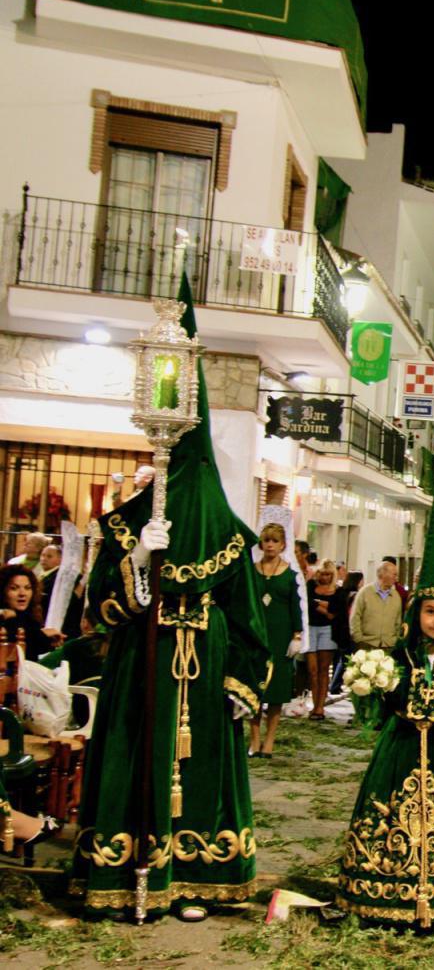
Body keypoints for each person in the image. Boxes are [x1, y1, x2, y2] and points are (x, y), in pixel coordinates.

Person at [71, 277, 270, 921]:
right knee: (139, 760)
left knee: (201, 771)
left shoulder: (230, 538)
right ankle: (132, 874)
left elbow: (249, 624)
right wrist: (134, 561)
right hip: (143, 665)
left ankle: (193, 880)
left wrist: (241, 682)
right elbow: (100, 606)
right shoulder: (128, 524)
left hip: (204, 672)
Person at [337, 464, 434, 933]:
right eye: (431, 612)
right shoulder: (400, 658)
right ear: (417, 611)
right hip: (401, 750)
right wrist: (371, 686)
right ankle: (384, 896)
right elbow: (380, 710)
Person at [248, 523, 303, 757]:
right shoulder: (251, 571)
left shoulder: (290, 575)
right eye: (267, 540)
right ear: (262, 544)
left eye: (275, 541)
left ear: (282, 545)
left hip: (281, 638)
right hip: (256, 637)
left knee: (276, 692)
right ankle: (254, 740)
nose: (270, 545)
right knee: (254, 690)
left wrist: (297, 636)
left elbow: (295, 608)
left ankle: (269, 740)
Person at [306, 559, 347, 720]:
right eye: (322, 574)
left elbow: (336, 611)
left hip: (328, 631)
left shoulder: (338, 591)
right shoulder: (310, 586)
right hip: (310, 628)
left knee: (324, 670)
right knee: (312, 670)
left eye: (328, 574)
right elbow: (309, 604)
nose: (325, 577)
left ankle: (319, 707)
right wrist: (324, 606)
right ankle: (314, 702)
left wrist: (320, 605)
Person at [0, 564, 62, 658]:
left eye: (27, 588)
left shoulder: (30, 617)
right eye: (14, 588)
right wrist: (43, 634)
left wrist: (44, 635)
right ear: (3, 591)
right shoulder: (4, 619)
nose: (22, 593)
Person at [349, 561, 405, 651]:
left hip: (388, 646)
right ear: (383, 574)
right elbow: (355, 617)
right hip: (366, 644)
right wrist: (359, 639)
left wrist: (395, 640)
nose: (396, 578)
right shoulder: (364, 592)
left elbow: (398, 622)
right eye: (394, 575)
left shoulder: (396, 596)